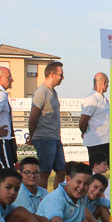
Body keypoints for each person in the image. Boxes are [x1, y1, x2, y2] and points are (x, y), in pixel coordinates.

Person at [27, 61, 66, 190]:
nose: (63, 78)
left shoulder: (53, 92)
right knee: (45, 172)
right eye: (61, 75)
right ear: (52, 75)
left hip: (55, 138)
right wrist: (32, 135)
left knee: (61, 170)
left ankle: (57, 196)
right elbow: (33, 117)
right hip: (44, 138)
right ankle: (42, 198)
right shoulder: (41, 92)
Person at [79, 72, 111, 161]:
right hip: (96, 142)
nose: (108, 86)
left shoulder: (103, 98)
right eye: (107, 83)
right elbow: (83, 121)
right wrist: (84, 132)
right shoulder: (91, 99)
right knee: (98, 166)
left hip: (107, 140)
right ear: (104, 83)